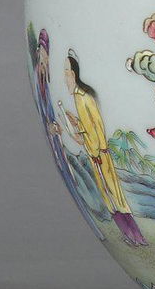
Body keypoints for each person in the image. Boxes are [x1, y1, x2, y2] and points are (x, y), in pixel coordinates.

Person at [62, 52, 147, 247]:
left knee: (114, 194)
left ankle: (136, 235)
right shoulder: (77, 98)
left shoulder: (84, 97)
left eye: (66, 72)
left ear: (73, 74)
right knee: (107, 195)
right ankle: (129, 235)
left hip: (100, 153)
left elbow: (98, 125)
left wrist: (99, 150)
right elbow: (87, 126)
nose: (65, 77)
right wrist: (76, 124)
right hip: (94, 153)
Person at [30, 27, 105, 241]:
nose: (45, 61)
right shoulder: (41, 80)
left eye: (46, 56)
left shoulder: (84, 97)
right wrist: (53, 125)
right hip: (62, 140)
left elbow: (95, 127)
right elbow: (46, 108)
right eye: (43, 56)